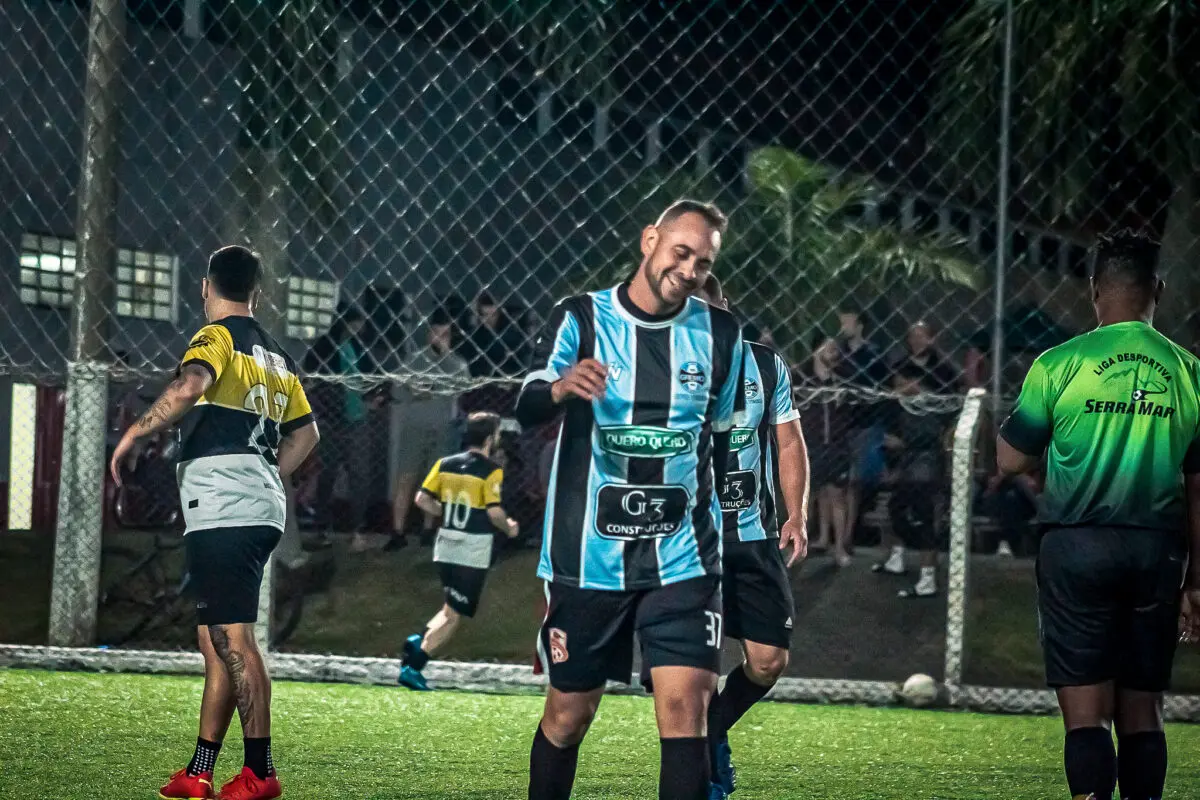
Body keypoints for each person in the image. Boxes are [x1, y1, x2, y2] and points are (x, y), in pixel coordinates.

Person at [515, 199, 744, 800]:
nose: (690, 269)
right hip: (588, 555)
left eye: (703, 260)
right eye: (681, 252)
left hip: (684, 555)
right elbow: (528, 402)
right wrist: (563, 387)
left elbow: (727, 441)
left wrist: (747, 527)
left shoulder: (721, 334)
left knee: (684, 712)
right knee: (568, 717)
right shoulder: (583, 317)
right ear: (650, 241)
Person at [109, 246, 319, 800]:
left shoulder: (217, 336)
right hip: (254, 502)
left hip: (225, 505)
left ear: (207, 287)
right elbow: (307, 434)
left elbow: (190, 385)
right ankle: (199, 771)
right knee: (214, 637)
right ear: (257, 290)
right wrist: (265, 470)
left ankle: (260, 773)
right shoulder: (276, 356)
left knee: (231, 638)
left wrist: (135, 434)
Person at [996, 231, 1200, 800]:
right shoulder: (1189, 373)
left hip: (1077, 547)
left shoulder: (1058, 363)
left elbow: (1010, 459)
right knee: (1143, 711)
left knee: (1086, 716)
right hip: (1156, 551)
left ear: (1093, 291)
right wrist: (1198, 580)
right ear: (1156, 289)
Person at [691, 274, 809, 799]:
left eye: (706, 305)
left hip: (753, 538)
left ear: (724, 305)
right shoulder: (664, 369)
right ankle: (702, 775)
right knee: (690, 672)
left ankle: (713, 732)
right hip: (687, 543)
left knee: (768, 661)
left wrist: (796, 513)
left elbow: (788, 442)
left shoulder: (764, 363)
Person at [398, 411, 519, 691]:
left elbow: (421, 499)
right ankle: (415, 663)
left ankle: (418, 639)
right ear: (491, 438)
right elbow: (494, 511)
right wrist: (509, 527)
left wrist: (444, 510)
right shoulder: (491, 471)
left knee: (450, 606)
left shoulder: (445, 464)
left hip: (445, 545)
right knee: (455, 616)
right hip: (471, 548)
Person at [389, 307, 471, 546]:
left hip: (442, 428)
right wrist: (415, 392)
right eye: (436, 333)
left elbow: (463, 387)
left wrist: (447, 355)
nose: (439, 339)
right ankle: (398, 531)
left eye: (445, 335)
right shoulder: (415, 360)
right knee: (406, 477)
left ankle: (428, 530)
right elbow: (397, 388)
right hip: (415, 427)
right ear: (429, 334)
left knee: (434, 480)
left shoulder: (457, 363)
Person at [303, 303, 378, 536]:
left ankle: (357, 528)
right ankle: (321, 526)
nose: (358, 328)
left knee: (359, 476)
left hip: (356, 418)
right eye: (355, 324)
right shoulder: (325, 346)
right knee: (327, 474)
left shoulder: (359, 347)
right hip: (331, 419)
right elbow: (310, 377)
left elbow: (371, 376)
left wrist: (373, 398)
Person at [881, 364, 950, 598]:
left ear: (914, 382)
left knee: (923, 519)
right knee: (897, 511)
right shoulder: (907, 407)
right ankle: (909, 558)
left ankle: (928, 576)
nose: (897, 389)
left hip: (925, 470)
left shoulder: (927, 405)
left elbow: (929, 437)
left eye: (901, 383)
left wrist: (903, 443)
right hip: (911, 469)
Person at [799, 333, 854, 566]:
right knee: (807, 497)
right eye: (829, 348)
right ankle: (803, 544)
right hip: (809, 446)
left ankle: (839, 548)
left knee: (836, 495)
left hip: (835, 446)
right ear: (816, 350)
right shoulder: (801, 379)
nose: (834, 353)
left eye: (835, 350)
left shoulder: (841, 381)